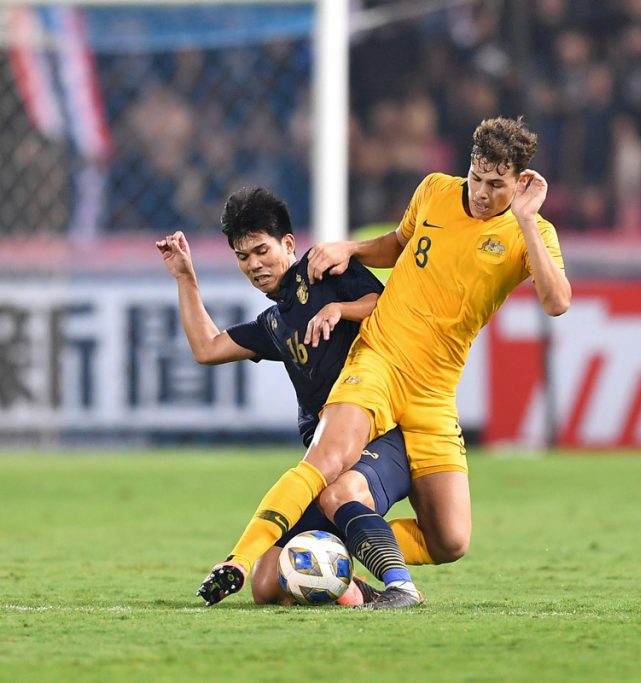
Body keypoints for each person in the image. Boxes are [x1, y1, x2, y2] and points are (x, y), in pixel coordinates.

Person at [197, 116, 571, 609]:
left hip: (435, 391)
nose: (481, 193)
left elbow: (557, 301)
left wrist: (523, 218)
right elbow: (398, 243)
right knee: (326, 463)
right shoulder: (435, 191)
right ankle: (243, 562)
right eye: (476, 177)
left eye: (496, 185)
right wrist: (351, 249)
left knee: (449, 540)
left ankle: (336, 557)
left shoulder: (532, 232)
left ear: (520, 183)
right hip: (380, 358)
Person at [157, 186, 412, 607]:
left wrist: (340, 309)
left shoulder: (324, 269)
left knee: (343, 496)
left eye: (262, 250)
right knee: (267, 586)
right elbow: (208, 348)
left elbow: (388, 306)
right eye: (243, 257)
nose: (254, 265)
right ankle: (361, 593)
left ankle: (403, 587)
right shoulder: (274, 323)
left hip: (383, 437)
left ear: (288, 244)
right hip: (327, 459)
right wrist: (185, 277)